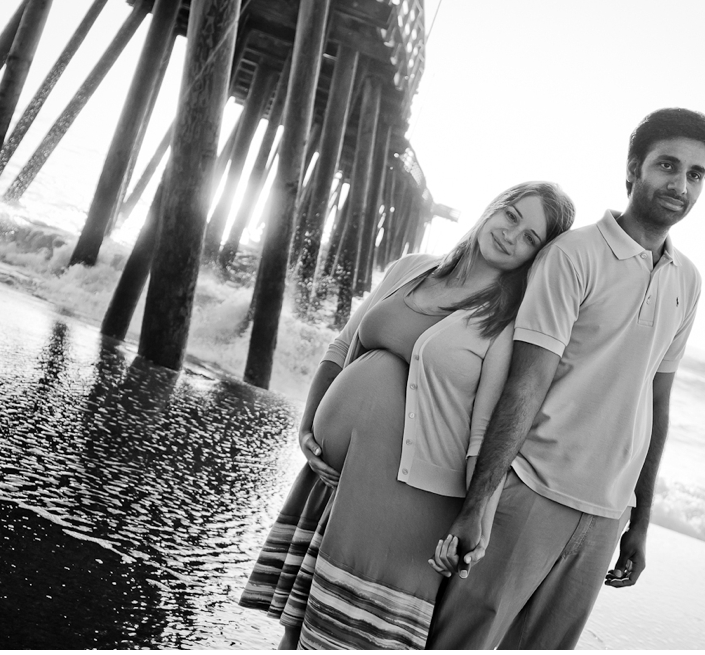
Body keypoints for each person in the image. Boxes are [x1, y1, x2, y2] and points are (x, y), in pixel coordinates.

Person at [426, 107, 705, 649]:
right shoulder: (573, 255)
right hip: (529, 491)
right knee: (461, 643)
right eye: (667, 165)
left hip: (606, 514)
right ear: (633, 169)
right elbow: (525, 383)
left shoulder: (689, 281)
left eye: (695, 174)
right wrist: (479, 504)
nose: (680, 184)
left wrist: (641, 519)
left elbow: (657, 404)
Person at [239, 181, 575, 649]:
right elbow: (340, 348)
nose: (511, 235)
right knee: (298, 633)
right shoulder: (411, 269)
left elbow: (487, 430)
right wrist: (308, 423)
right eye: (512, 216)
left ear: (537, 257)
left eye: (531, 238)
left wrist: (478, 516)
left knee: (349, 640)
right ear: (493, 207)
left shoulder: (508, 321)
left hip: (409, 502)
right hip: (333, 479)